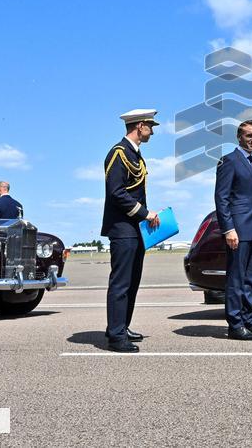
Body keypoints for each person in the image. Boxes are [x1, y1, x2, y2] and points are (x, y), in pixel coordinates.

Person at [102, 109, 160, 353]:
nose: (152, 131)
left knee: (132, 281)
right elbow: (116, 192)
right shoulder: (118, 153)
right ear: (140, 126)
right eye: (150, 126)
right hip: (123, 228)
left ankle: (121, 326)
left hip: (135, 229)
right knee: (121, 283)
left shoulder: (135, 155)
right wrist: (144, 213)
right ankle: (116, 336)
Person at [214, 119, 252, 341]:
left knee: (251, 279)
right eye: (249, 136)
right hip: (238, 231)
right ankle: (235, 325)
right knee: (236, 279)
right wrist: (228, 229)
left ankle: (250, 320)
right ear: (239, 137)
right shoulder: (228, 161)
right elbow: (221, 199)